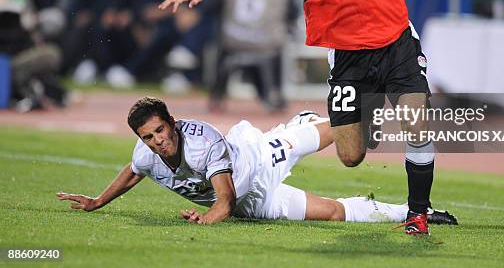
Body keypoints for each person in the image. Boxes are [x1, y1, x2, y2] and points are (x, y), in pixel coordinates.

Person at [159, 0, 503, 234]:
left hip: (395, 39)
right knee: (351, 155)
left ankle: (417, 215)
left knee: (416, 125)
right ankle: (353, 116)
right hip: (347, 54)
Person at [57, 97, 431, 225]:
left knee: (313, 138)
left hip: (256, 159)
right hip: (254, 203)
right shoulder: (146, 154)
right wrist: (97, 201)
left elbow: (224, 200)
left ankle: (359, 114)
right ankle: (411, 211)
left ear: (172, 122)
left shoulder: (203, 144)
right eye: (148, 137)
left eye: (160, 131)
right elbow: (131, 173)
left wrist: (205, 220)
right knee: (331, 213)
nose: (158, 141)